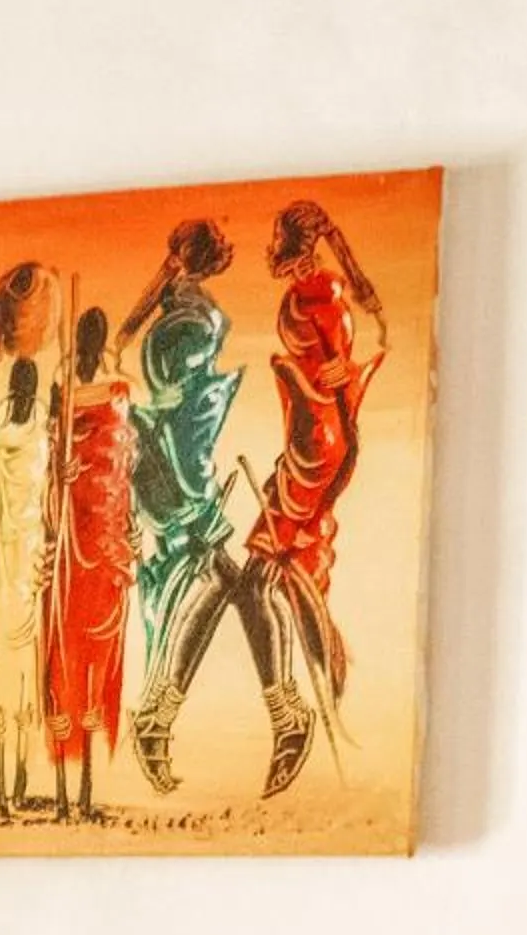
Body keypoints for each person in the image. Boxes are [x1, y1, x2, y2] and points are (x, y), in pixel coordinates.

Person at [126, 199, 387, 802]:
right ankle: (220, 718)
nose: (263, 249)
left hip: (307, 449)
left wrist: (307, 394)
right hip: (203, 470)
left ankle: (206, 718)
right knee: (236, 582)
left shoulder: (309, 297)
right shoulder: (199, 319)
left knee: (250, 583)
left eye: (275, 238)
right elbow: (184, 407)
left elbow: (330, 379)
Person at [117, 219, 243, 793]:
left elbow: (188, 401)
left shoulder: (183, 314)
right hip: (172, 467)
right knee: (204, 582)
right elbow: (186, 403)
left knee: (200, 583)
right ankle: (155, 717)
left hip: (169, 459)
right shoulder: (194, 317)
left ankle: (157, 717)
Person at [40, 306, 136, 820]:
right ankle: (69, 790)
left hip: (100, 541)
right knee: (77, 652)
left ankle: (80, 789)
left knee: (85, 651)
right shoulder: (71, 396)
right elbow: (53, 462)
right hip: (80, 540)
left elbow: (125, 465)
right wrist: (61, 471)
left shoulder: (110, 396)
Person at [0, 354, 51, 813]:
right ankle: (14, 772)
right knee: (21, 659)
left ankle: (12, 774)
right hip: (22, 553)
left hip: (12, 554)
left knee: (7, 657)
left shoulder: (8, 429)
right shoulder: (41, 430)